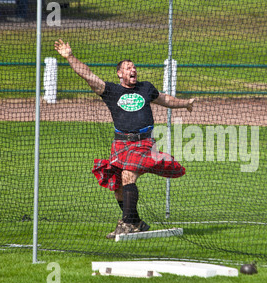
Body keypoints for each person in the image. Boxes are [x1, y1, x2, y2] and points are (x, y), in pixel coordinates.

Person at [54, 39, 195, 238]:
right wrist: (69, 56)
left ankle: (127, 223)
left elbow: (164, 98)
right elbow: (88, 76)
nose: (133, 69)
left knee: (128, 175)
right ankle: (136, 221)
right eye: (128, 67)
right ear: (119, 73)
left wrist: (185, 103)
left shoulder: (145, 88)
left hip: (143, 142)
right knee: (118, 186)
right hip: (120, 143)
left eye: (134, 67)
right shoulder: (112, 91)